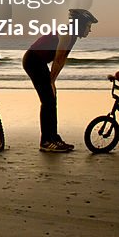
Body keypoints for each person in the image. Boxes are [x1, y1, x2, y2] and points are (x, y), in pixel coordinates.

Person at [22, 8, 98, 152]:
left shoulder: (72, 36)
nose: (90, 30)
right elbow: (57, 60)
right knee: (47, 100)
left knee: (51, 99)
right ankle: (46, 142)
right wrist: (51, 82)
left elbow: (62, 59)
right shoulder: (66, 34)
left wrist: (52, 81)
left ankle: (53, 138)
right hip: (33, 61)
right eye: (88, 26)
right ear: (80, 24)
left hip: (39, 62)